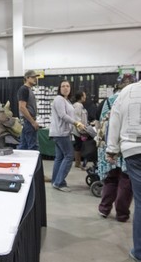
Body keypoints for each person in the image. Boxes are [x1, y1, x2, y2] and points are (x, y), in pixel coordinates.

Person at [106, 79, 141, 262]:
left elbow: (115, 119)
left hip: (133, 150)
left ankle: (139, 252)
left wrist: (111, 149)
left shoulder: (127, 91)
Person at [97, 76, 134, 223]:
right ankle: (122, 213)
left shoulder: (108, 101)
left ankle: (104, 208)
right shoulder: (131, 100)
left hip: (108, 145)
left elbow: (100, 124)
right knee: (126, 179)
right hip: (127, 144)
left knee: (111, 177)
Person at [49, 80, 86, 192]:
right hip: (61, 133)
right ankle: (59, 183)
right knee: (69, 156)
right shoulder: (59, 99)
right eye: (63, 86)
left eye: (68, 86)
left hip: (61, 132)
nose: (65, 88)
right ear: (59, 88)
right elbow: (63, 115)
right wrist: (76, 123)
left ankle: (55, 181)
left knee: (59, 158)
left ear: (70, 88)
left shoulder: (66, 100)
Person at [17, 70, 39, 150]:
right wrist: (32, 122)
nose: (35, 79)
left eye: (36, 77)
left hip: (27, 122)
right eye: (33, 77)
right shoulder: (24, 89)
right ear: (27, 78)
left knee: (24, 146)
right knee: (33, 147)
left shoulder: (27, 90)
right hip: (28, 122)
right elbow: (22, 107)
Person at [72, 91, 88, 169]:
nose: (85, 97)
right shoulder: (78, 106)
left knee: (79, 145)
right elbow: (76, 118)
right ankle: (77, 163)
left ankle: (78, 162)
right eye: (84, 95)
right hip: (78, 130)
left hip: (81, 128)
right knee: (78, 145)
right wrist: (80, 128)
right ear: (81, 97)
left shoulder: (80, 105)